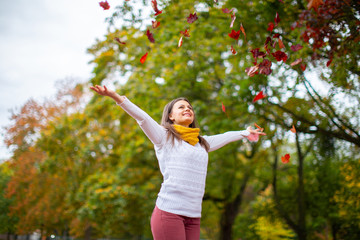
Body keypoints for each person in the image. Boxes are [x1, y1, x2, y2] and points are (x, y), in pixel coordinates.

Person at [90, 85, 266, 240]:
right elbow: (142, 118)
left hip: (193, 216)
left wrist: (245, 132)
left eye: (189, 107)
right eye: (181, 107)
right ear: (171, 116)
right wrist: (115, 96)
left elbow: (226, 136)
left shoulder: (202, 143)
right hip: (169, 213)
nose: (187, 109)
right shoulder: (163, 137)